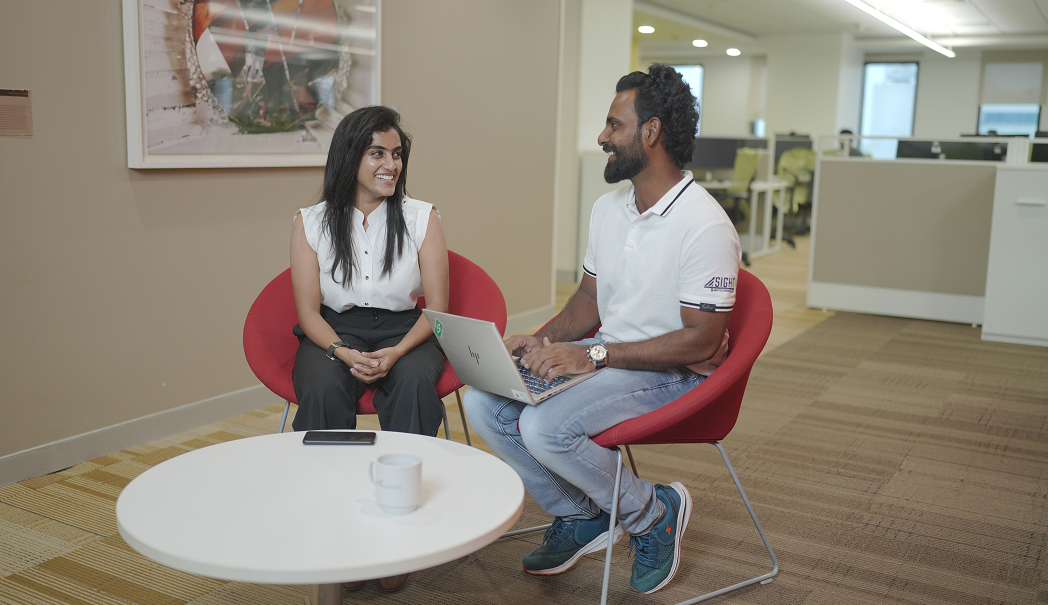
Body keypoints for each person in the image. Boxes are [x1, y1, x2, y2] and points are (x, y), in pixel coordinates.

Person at [463, 64, 741, 595]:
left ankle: (650, 513)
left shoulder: (704, 225)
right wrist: (544, 341)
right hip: (607, 356)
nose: (602, 136)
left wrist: (591, 357)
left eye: (614, 125)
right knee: (485, 402)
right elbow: (590, 297)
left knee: (545, 428)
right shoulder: (609, 208)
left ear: (651, 132)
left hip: (673, 372)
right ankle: (583, 515)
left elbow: (703, 342)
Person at [289, 105, 449, 592]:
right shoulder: (310, 221)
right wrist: (341, 352)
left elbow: (438, 310)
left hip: (409, 328)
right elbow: (309, 314)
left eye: (397, 154)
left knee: (417, 386)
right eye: (377, 152)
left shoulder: (423, 216)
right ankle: (333, 519)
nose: (391, 164)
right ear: (349, 155)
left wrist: (398, 353)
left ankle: (399, 533)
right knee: (320, 391)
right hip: (335, 330)